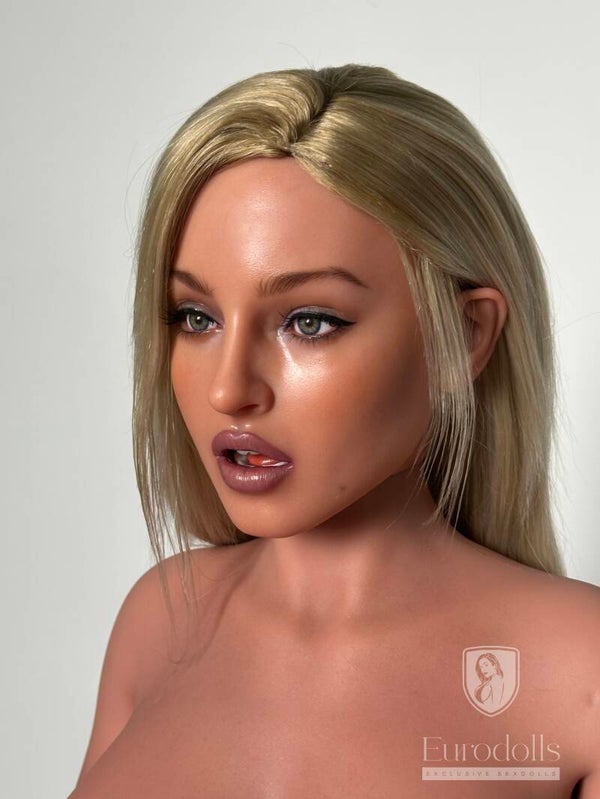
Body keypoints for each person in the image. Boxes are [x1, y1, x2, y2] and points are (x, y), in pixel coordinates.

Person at [69, 64, 600, 797]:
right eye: (196, 317)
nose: (229, 389)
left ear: (465, 337)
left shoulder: (578, 670)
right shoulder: (160, 620)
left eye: (310, 322)